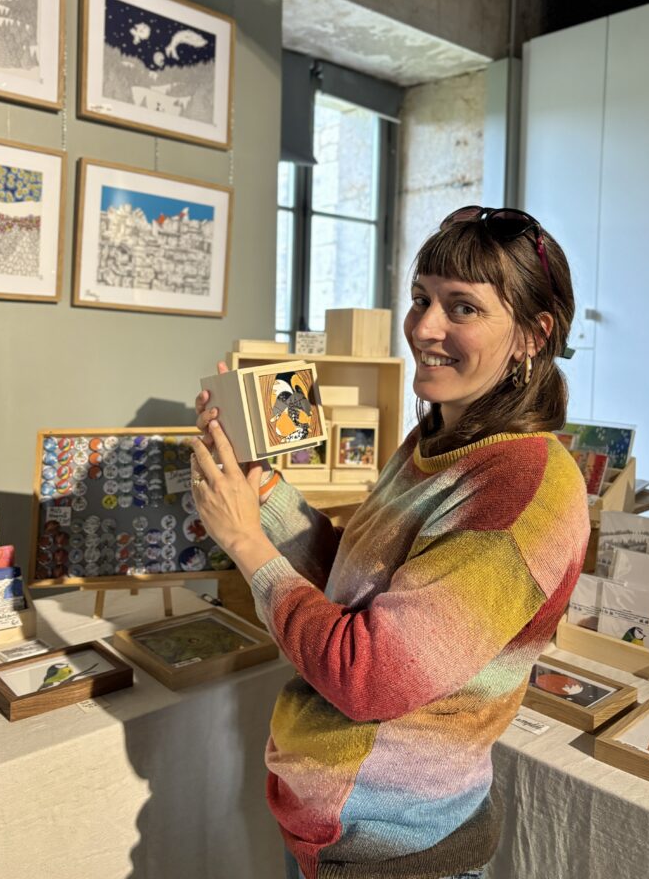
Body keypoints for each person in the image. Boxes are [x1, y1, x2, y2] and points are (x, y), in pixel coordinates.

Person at [191, 205, 590, 879]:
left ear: (533, 333)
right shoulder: (440, 438)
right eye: (421, 298)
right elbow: (356, 584)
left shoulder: (522, 486)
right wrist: (262, 492)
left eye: (462, 308)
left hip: (397, 850)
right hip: (332, 829)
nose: (424, 327)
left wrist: (248, 545)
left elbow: (369, 674)